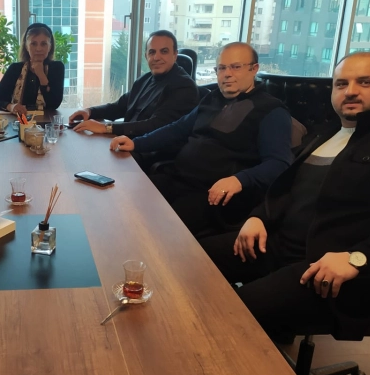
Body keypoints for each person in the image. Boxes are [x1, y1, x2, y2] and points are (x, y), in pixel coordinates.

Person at [200, 52, 370, 337]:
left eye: (365, 82)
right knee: (192, 262)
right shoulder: (328, 132)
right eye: (341, 84)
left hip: (332, 268)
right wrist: (259, 217)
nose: (351, 91)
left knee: (231, 315)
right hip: (279, 245)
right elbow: (287, 187)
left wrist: (359, 257)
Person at [110, 42, 293, 236]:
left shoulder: (271, 111)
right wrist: (137, 143)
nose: (227, 74)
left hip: (213, 196)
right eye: (222, 68)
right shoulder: (212, 99)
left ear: (254, 69)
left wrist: (239, 180)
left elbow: (279, 164)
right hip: (179, 178)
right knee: (124, 200)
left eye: (236, 67)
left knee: (155, 230)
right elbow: (177, 129)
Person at [68, 30, 200, 137]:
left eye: (164, 51)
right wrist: (90, 111)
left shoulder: (184, 87)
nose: (156, 57)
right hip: (126, 144)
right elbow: (119, 107)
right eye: (152, 52)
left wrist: (106, 128)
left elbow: (156, 126)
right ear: (146, 56)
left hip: (148, 152)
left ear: (175, 55)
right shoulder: (145, 80)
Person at [0, 23, 64, 114]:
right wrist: (11, 106)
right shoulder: (15, 68)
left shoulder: (57, 68)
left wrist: (41, 75)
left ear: (50, 46)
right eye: (33, 44)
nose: (38, 49)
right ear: (26, 46)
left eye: (44, 44)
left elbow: (54, 104)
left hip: (46, 121)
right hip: (19, 120)